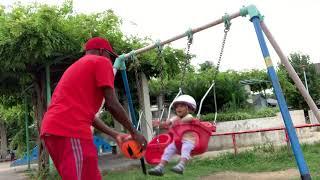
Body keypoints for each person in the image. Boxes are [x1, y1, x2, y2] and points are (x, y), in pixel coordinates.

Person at [41, 37, 147, 180]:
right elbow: (112, 104)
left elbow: (88, 115)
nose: (110, 60)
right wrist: (134, 133)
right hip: (69, 130)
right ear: (102, 51)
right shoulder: (101, 62)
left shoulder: (77, 67)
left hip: (56, 130)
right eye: (110, 56)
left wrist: (116, 135)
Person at [148, 94, 197, 176]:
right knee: (168, 150)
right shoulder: (176, 117)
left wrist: (177, 122)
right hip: (178, 142)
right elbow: (168, 122)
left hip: (189, 141)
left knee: (186, 149)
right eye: (177, 107)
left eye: (181, 106)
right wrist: (160, 123)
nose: (178, 108)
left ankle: (181, 165)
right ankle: (160, 167)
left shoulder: (189, 116)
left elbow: (188, 119)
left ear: (188, 108)